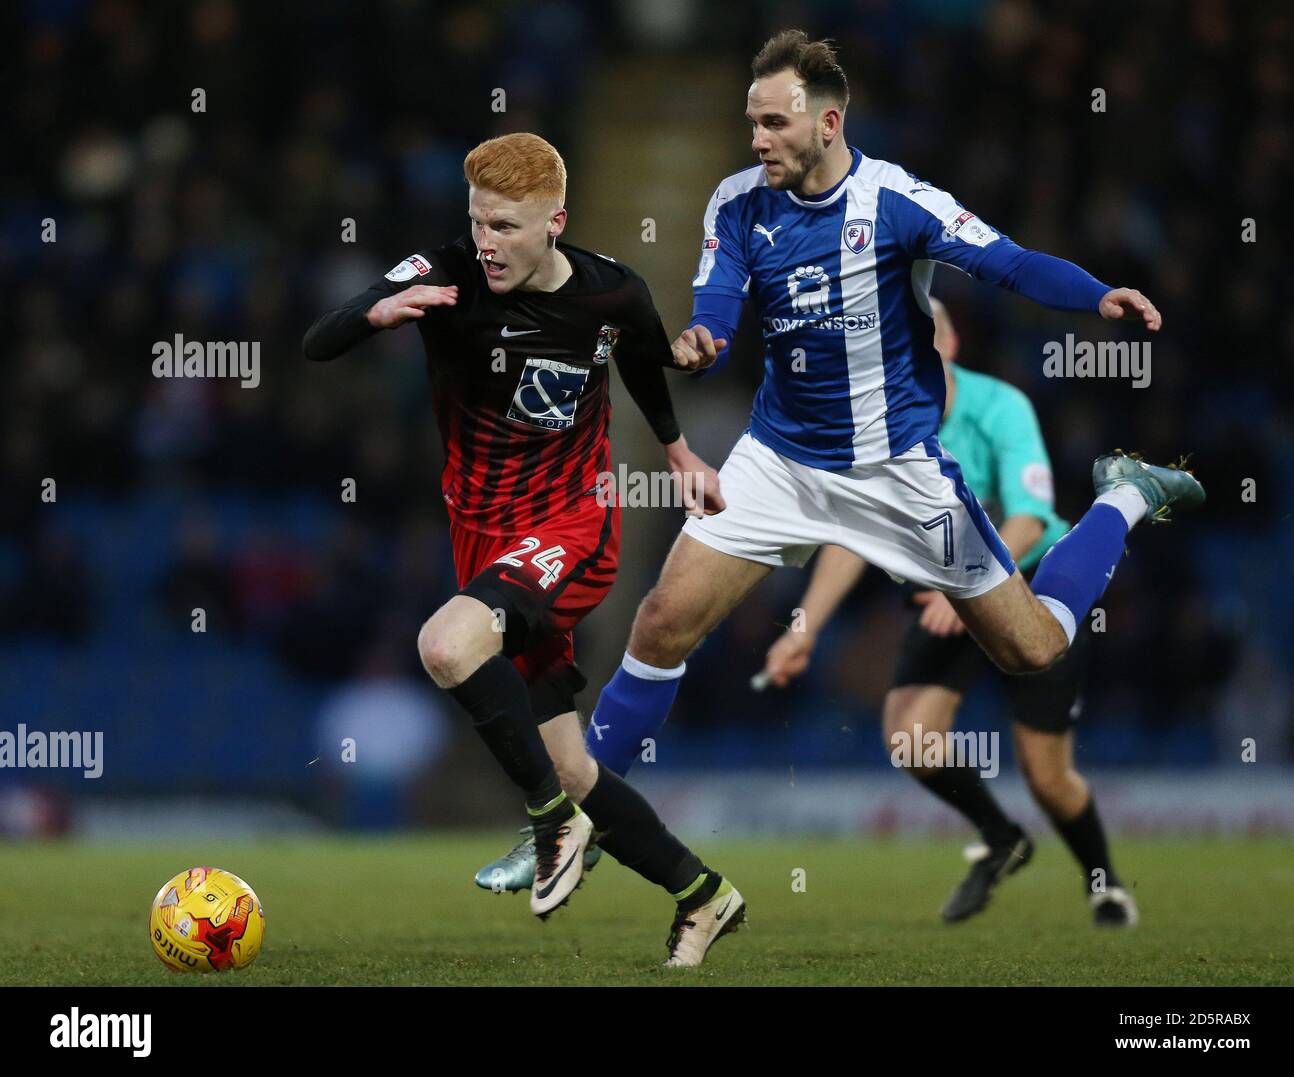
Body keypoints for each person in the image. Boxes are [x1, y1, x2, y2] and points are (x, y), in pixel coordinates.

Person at [475, 31, 1203, 898]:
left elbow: (1008, 263)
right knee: (661, 620)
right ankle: (579, 824)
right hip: (779, 462)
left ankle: (1121, 497)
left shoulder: (898, 202)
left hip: (897, 472)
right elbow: (718, 300)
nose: (758, 140)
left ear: (827, 121)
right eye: (751, 123)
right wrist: (704, 339)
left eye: (774, 123)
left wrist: (1097, 294)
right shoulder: (738, 202)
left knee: (1035, 648)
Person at [304, 133, 745, 966]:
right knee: (572, 763)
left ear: (555, 222)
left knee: (445, 642)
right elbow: (315, 342)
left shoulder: (613, 293)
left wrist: (680, 452)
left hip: (573, 526)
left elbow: (645, 366)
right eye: (477, 222)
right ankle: (704, 894)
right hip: (484, 538)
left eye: (504, 226)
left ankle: (552, 828)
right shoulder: (444, 272)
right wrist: (377, 311)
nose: (486, 242)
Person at [764, 300, 1137, 926]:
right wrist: (805, 629)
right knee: (909, 738)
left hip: (1034, 585)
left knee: (1048, 776)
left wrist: (965, 584)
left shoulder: (1001, 408)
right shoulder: (876, 429)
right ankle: (1001, 836)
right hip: (947, 594)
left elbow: (1030, 516)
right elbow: (849, 538)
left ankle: (1104, 883)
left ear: (951, 343)